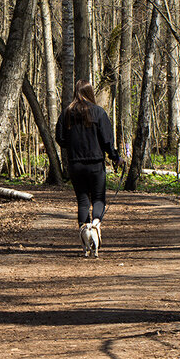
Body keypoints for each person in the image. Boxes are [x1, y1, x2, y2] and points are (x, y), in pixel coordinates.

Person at [55, 80, 125, 247]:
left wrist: (72, 146)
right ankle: (95, 225)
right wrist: (116, 158)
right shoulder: (99, 113)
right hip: (95, 164)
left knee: (83, 200)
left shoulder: (66, 114)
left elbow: (60, 139)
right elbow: (107, 140)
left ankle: (85, 233)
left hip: (75, 164)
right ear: (90, 93)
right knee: (99, 198)